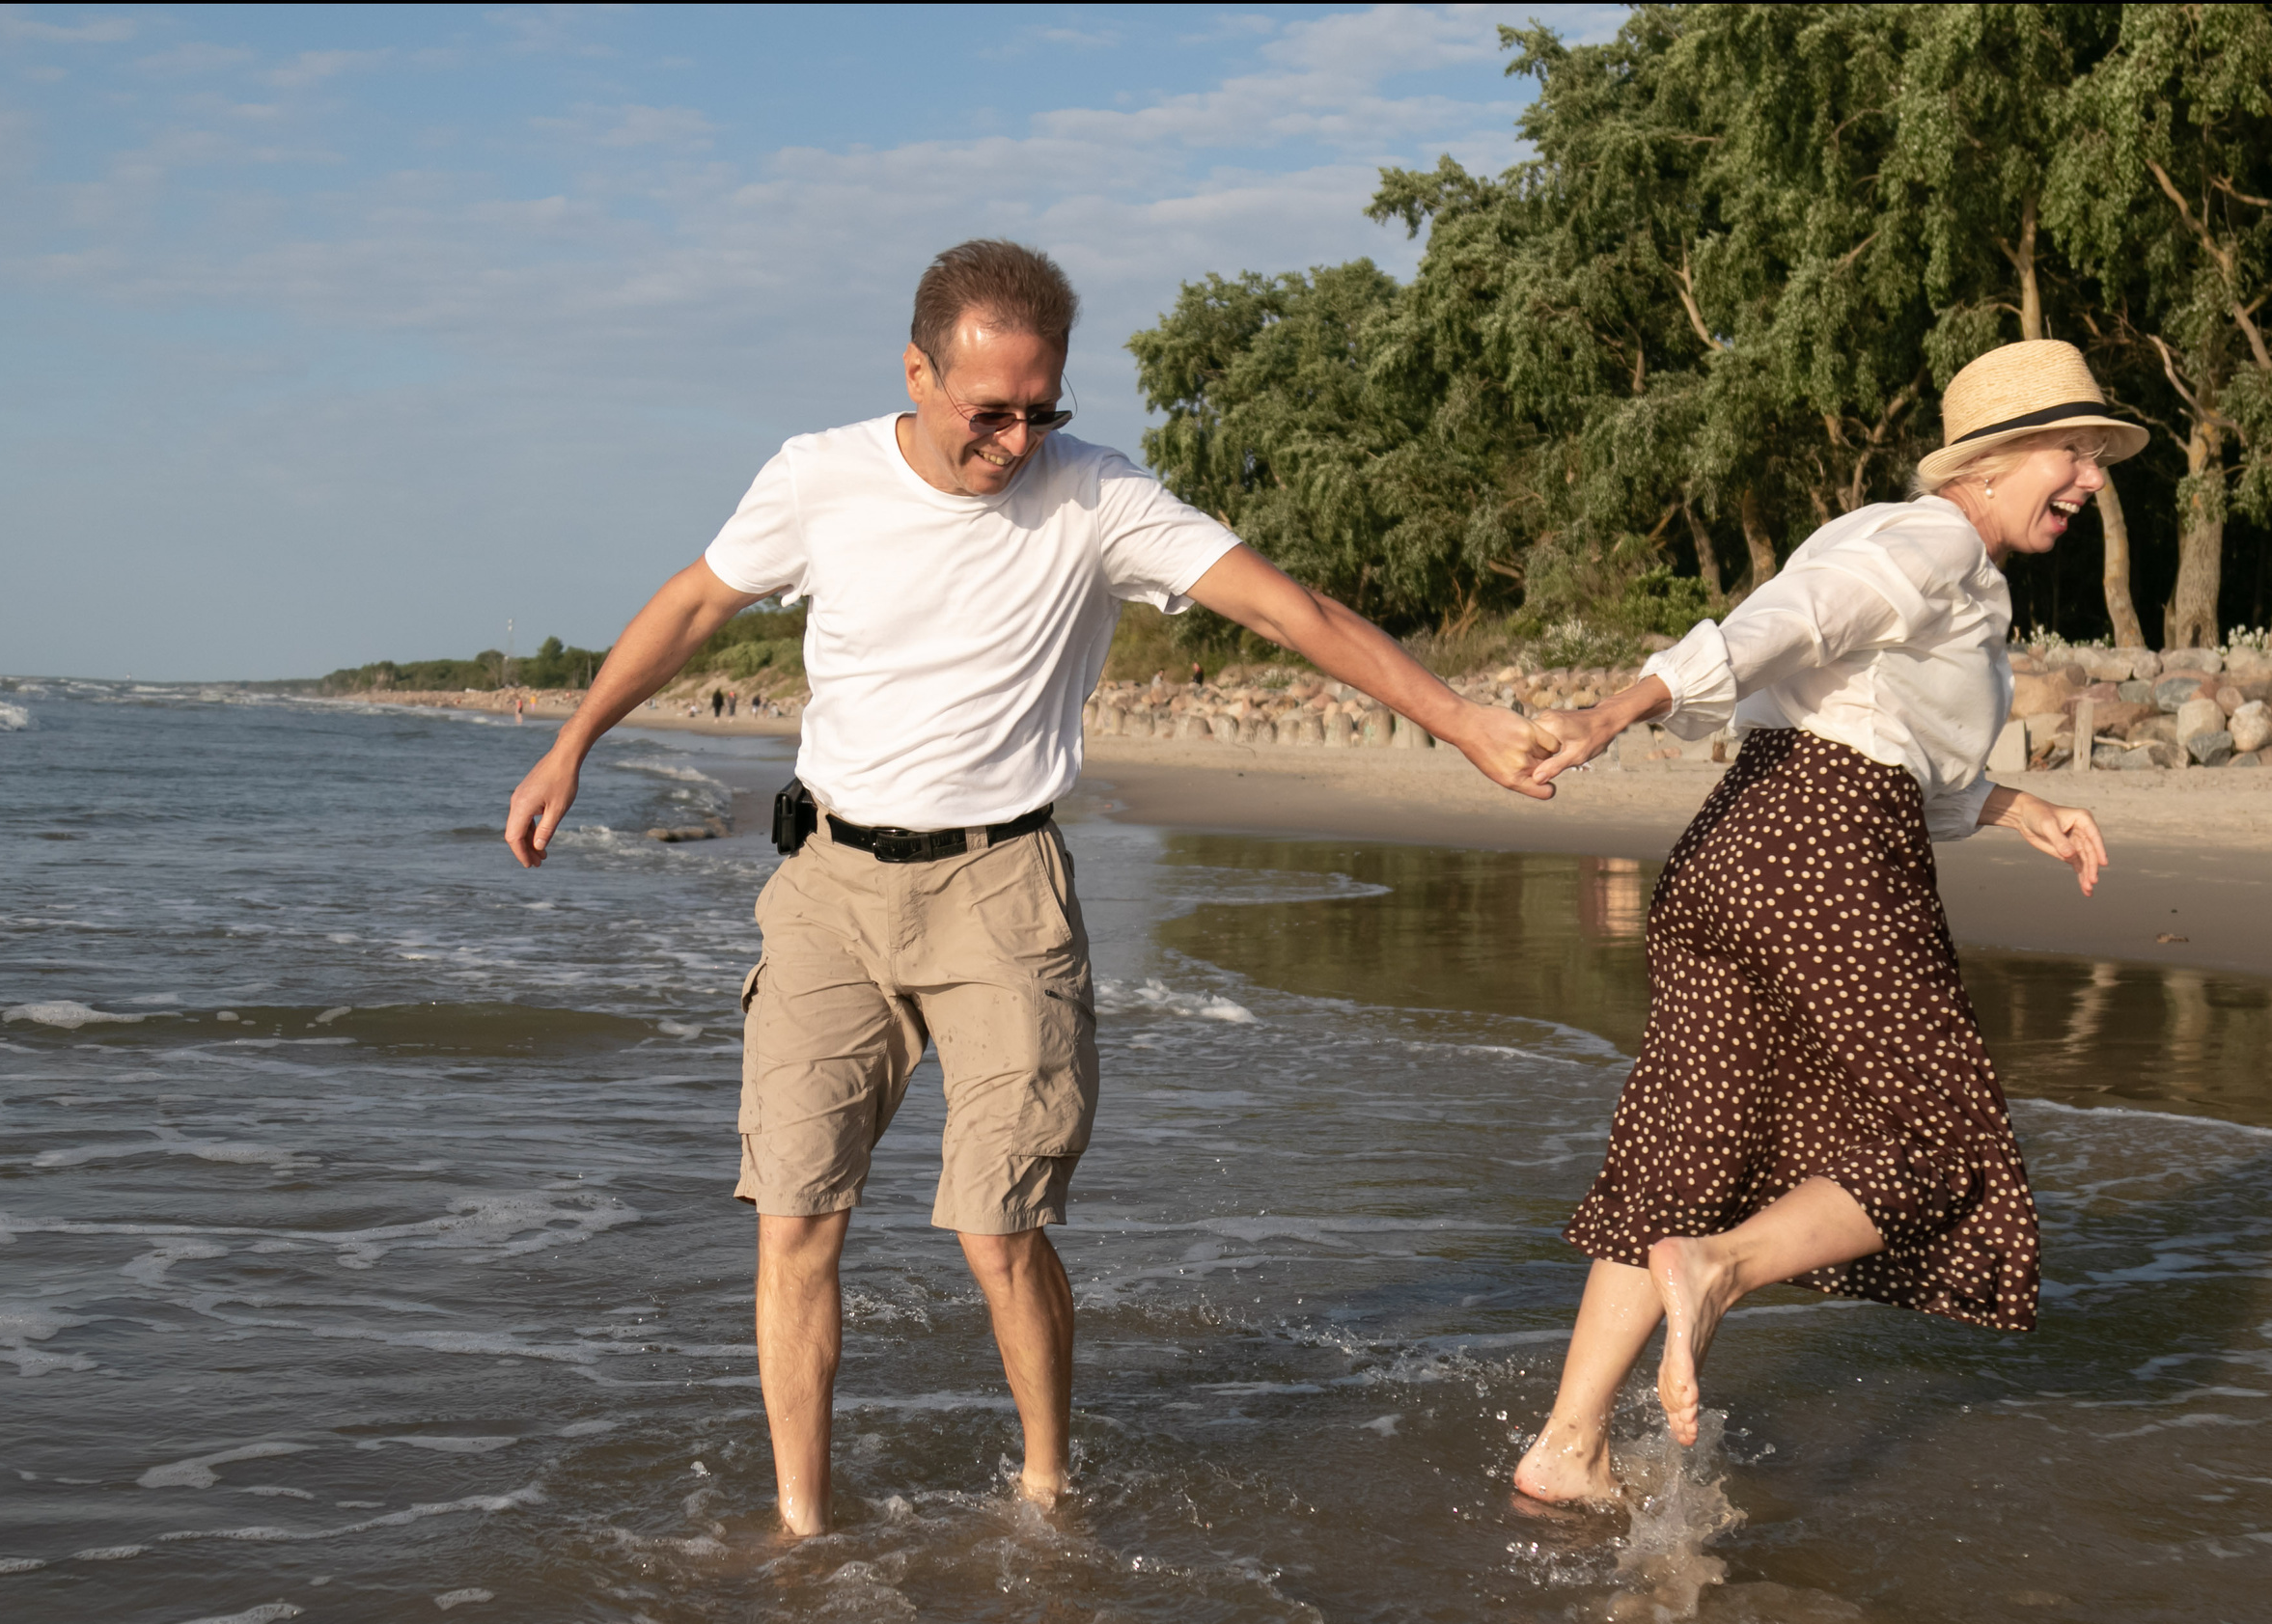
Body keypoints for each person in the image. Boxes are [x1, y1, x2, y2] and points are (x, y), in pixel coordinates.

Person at [505, 238, 1561, 1535]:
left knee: (999, 1231)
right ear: (916, 369)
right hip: (828, 887)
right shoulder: (817, 477)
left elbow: (1297, 616)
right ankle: (799, 1525)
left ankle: (1049, 1493)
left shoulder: (1099, 500)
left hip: (1002, 893)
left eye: (1040, 410)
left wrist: (1459, 721)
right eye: (985, 410)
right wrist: (573, 740)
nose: (1014, 439)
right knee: (794, 1218)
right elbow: (690, 609)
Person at [1511, 340, 2133, 1503]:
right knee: (1941, 1145)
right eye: (2071, 453)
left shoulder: (1891, 538)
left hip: (1736, 844)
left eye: (2097, 458)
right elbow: (1792, 621)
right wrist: (1620, 706)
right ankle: (1723, 1265)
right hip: (1831, 855)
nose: (2090, 480)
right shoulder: (1935, 540)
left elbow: (1871, 719)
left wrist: (2015, 806)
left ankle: (1567, 1443)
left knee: (1678, 1154)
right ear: (1991, 462)